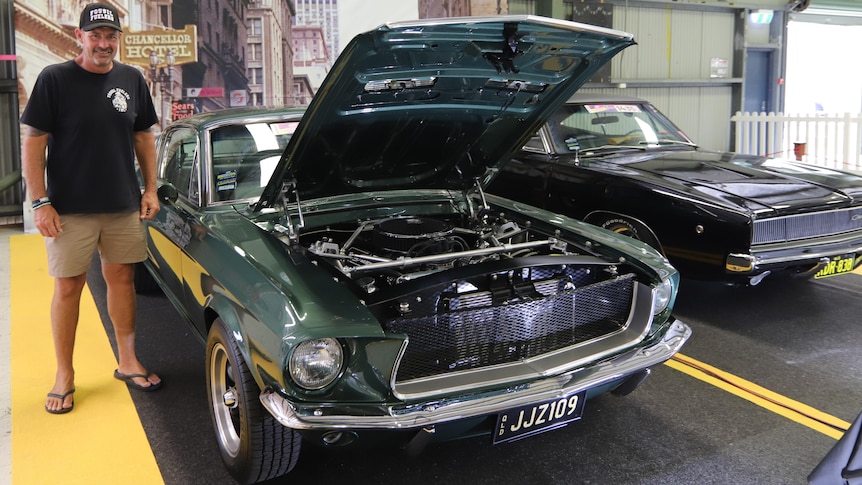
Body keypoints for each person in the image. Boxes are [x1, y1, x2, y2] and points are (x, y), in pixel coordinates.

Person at [20, 2, 163, 414]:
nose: (104, 44)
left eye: (111, 36)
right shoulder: (54, 79)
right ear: (79, 37)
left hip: (121, 204)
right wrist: (40, 201)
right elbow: (34, 143)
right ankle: (64, 374)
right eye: (95, 36)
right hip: (69, 209)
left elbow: (143, 139)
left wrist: (149, 188)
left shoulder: (132, 79)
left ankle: (128, 360)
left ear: (119, 39)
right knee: (68, 287)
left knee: (121, 280)